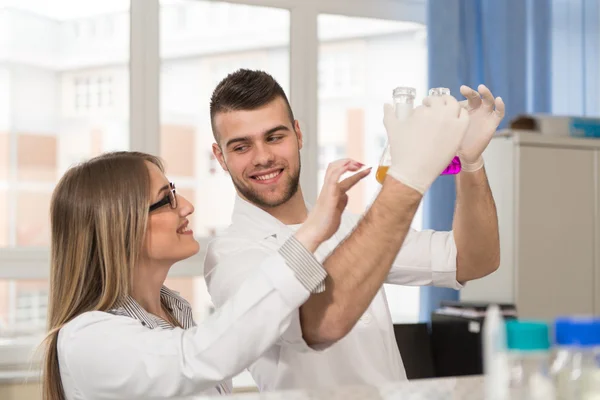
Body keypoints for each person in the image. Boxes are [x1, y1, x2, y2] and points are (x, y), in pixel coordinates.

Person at [204, 69, 504, 391]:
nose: (263, 157)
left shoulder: (351, 226)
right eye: (240, 147)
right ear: (220, 157)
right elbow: (321, 322)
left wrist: (470, 162)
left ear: (298, 135)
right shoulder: (230, 256)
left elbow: (474, 259)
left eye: (275, 137)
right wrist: (407, 177)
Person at [42, 151, 370, 399]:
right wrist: (311, 232)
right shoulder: (88, 338)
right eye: (166, 199)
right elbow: (201, 356)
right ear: (119, 226)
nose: (186, 206)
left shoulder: (176, 312)